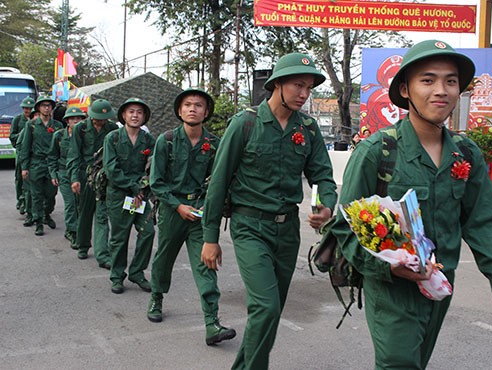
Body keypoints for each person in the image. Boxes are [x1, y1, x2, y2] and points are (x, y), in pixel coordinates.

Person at [332, 40, 492, 369]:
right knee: (399, 363)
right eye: (428, 80)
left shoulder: (466, 154)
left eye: (451, 81)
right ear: (405, 89)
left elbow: (484, 223)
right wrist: (387, 266)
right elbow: (343, 227)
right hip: (391, 290)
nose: (441, 90)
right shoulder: (378, 151)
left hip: (439, 288)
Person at [201, 53, 337, 369]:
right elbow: (218, 183)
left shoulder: (309, 129)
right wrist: (210, 237)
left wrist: (324, 205)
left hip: (287, 231)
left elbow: (322, 177)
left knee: (271, 312)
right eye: (297, 85)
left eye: (309, 88)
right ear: (277, 83)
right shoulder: (245, 123)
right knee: (265, 307)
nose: (304, 94)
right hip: (250, 226)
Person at [146, 88, 236, 346]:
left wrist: (205, 206)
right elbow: (157, 183)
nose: (192, 109)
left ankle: (212, 322)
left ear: (206, 112)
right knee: (164, 258)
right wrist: (177, 206)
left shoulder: (215, 144)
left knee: (205, 264)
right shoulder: (167, 140)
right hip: (172, 211)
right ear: (179, 110)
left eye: (198, 105)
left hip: (200, 213)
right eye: (187, 105)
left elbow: (218, 181)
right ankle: (157, 297)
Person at [103, 98, 156, 294]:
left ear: (144, 117)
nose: (135, 115)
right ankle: (117, 276)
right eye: (131, 111)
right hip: (119, 196)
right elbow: (111, 169)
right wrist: (134, 188)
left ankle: (137, 272)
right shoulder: (113, 138)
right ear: (124, 115)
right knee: (120, 237)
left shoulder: (149, 140)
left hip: (139, 197)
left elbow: (154, 167)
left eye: (139, 112)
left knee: (148, 231)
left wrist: (142, 189)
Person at [67, 99, 118, 267]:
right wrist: (74, 178)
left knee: (102, 215)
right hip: (85, 175)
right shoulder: (80, 129)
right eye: (98, 118)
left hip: (104, 176)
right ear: (90, 115)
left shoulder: (113, 129)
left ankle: (103, 254)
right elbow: (74, 155)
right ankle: (82, 245)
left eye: (104, 118)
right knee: (85, 212)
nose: (101, 121)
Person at [19, 96, 63, 236]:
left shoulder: (57, 126)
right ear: (38, 108)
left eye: (49, 105)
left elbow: (61, 148)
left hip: (52, 164)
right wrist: (24, 167)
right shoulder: (31, 125)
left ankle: (46, 214)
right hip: (36, 164)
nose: (46, 108)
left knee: (51, 194)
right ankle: (38, 222)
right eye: (43, 105)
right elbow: (25, 146)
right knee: (36, 195)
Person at [48, 107, 86, 248]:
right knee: (70, 203)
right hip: (64, 173)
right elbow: (52, 156)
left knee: (80, 204)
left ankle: (77, 229)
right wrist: (53, 173)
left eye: (79, 118)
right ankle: (72, 232)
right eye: (73, 119)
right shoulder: (59, 136)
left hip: (80, 174)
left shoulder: (85, 136)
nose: (76, 121)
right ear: (67, 121)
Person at [10, 96, 35, 213]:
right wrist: (21, 135)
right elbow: (12, 136)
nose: (28, 111)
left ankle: (29, 202)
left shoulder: (35, 120)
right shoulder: (18, 120)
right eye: (26, 108)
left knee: (30, 179)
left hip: (33, 153)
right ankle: (20, 200)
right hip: (21, 151)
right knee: (20, 178)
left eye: (30, 108)